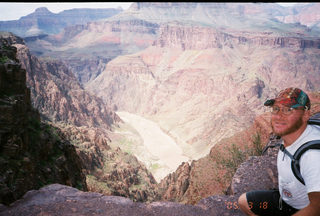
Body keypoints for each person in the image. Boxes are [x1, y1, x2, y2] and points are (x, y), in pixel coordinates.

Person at [238, 87, 320, 216]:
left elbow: (317, 208)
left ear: (305, 115)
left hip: (302, 208)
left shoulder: (312, 157)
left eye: (288, 110)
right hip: (286, 199)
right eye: (276, 109)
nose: (278, 116)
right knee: (244, 202)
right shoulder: (293, 134)